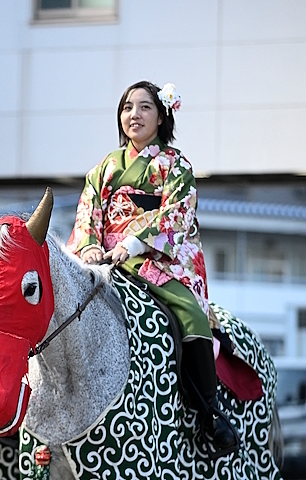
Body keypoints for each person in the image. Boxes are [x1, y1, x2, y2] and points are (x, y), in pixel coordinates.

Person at [67, 81, 238, 455]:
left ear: (161, 117)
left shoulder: (176, 166)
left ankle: (208, 413)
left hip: (155, 258)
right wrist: (92, 245)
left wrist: (131, 244)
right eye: (128, 107)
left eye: (144, 108)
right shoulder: (105, 166)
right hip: (104, 258)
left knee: (191, 316)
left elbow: (177, 214)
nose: (134, 115)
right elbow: (87, 213)